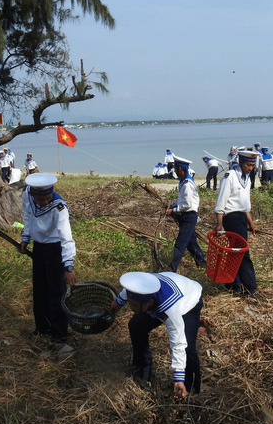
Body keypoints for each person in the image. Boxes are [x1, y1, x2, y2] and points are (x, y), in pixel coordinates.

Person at [110, 271, 203, 398]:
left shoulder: (169, 310)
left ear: (150, 302)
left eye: (135, 305)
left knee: (187, 348)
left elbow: (178, 342)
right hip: (166, 291)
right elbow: (128, 290)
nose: (132, 308)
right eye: (130, 303)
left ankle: (190, 388)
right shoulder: (141, 288)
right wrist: (117, 303)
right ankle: (142, 369)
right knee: (136, 325)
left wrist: (178, 376)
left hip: (188, 300)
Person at [18, 173, 77, 353]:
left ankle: (59, 334)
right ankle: (42, 327)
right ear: (33, 194)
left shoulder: (59, 207)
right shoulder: (28, 195)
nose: (44, 201)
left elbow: (66, 238)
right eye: (41, 198)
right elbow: (28, 217)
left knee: (56, 291)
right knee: (40, 289)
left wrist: (68, 266)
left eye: (47, 197)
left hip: (54, 249)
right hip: (39, 248)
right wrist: (26, 237)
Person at [214, 150, 261, 298]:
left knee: (235, 253)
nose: (250, 168)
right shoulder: (230, 177)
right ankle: (250, 288)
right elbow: (221, 201)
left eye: (253, 165)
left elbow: (245, 204)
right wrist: (219, 224)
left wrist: (251, 223)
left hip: (241, 217)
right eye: (248, 165)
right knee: (243, 253)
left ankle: (234, 285)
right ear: (241, 162)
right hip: (231, 218)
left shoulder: (246, 178)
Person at [167, 156, 207, 272]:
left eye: (176, 168)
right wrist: (173, 204)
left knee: (180, 243)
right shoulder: (183, 182)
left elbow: (187, 205)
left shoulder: (187, 184)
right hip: (185, 216)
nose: (174, 170)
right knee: (191, 242)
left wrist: (173, 211)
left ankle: (172, 269)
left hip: (189, 216)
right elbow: (182, 200)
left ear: (181, 169)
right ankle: (202, 263)